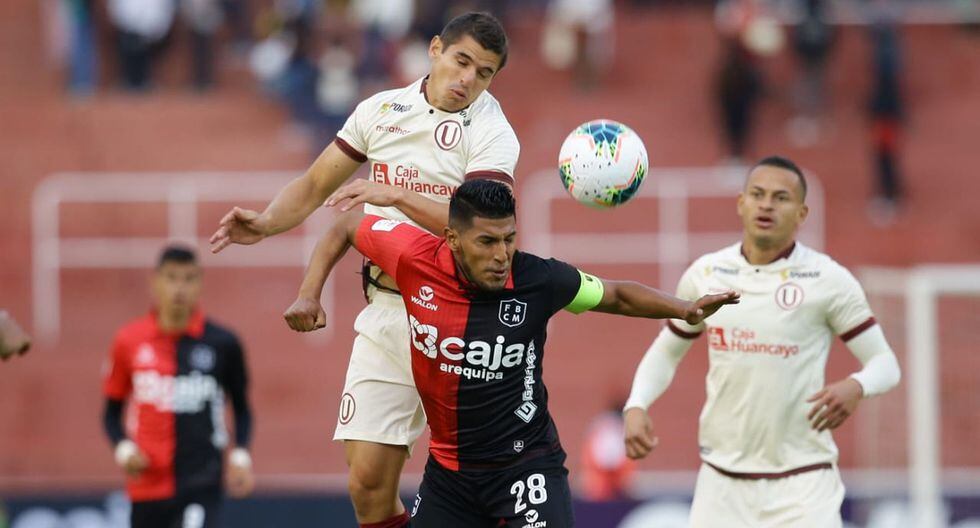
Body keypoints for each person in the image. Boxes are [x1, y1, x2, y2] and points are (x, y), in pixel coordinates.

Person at [210, 11, 519, 527]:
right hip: (387, 307)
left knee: (481, 489)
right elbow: (315, 186)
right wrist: (265, 224)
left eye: (484, 72)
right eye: (462, 61)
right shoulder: (380, 111)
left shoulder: (492, 131)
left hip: (460, 319)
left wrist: (395, 194)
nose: (468, 79)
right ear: (436, 49)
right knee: (368, 483)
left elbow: (482, 226)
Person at [284, 179, 740, 526]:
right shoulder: (412, 257)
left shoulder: (539, 279)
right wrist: (309, 293)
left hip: (526, 468)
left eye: (509, 238)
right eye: (487, 242)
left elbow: (616, 295)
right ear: (452, 238)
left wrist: (684, 308)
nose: (502, 254)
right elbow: (346, 226)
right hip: (450, 473)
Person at [623, 156, 902, 527]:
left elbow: (886, 363)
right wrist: (637, 404)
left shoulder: (828, 280)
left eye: (780, 198)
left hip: (804, 484)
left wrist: (857, 385)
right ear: (741, 203)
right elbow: (667, 350)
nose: (767, 205)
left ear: (802, 213)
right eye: (757, 194)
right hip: (721, 483)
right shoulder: (706, 273)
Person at [102, 245, 254, 528]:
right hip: (147, 484)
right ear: (155, 282)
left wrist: (241, 455)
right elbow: (111, 413)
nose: (179, 288)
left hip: (201, 479)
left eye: (188, 279)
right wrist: (124, 451)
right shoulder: (128, 341)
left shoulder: (223, 343)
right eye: (171, 278)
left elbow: (242, 408)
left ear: (200, 283)